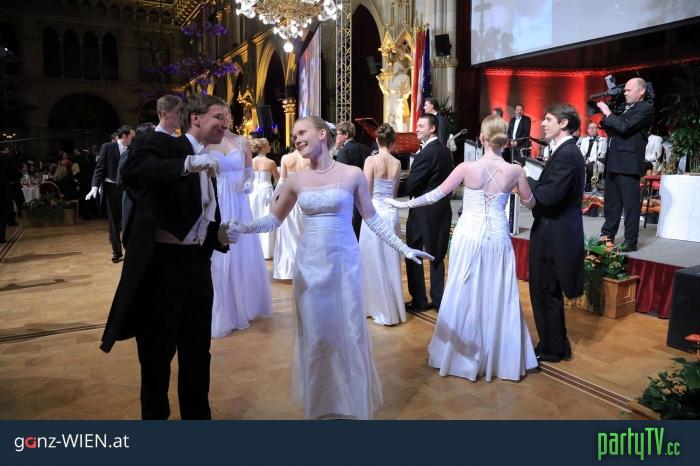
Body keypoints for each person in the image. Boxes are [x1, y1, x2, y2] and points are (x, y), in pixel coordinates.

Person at [221, 116, 433, 420]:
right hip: (309, 267)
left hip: (344, 264)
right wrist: (243, 227)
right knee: (315, 335)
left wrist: (403, 248)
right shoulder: (296, 180)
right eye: (294, 135)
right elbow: (273, 220)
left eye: (302, 132)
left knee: (350, 331)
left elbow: (372, 219)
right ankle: (320, 404)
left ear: (322, 134)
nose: (296, 139)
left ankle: (351, 402)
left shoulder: (353, 174)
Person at [100, 94, 229, 419]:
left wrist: (219, 234)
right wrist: (185, 165)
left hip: (197, 268)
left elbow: (196, 212)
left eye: (226, 118)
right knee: (157, 358)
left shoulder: (208, 159)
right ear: (195, 118)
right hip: (162, 270)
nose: (225, 124)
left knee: (198, 354)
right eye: (219, 116)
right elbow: (132, 171)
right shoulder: (163, 144)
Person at [387, 115, 538, 381]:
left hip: (468, 234)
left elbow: (435, 195)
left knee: (464, 288)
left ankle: (462, 355)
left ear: (482, 137)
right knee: (498, 290)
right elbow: (530, 203)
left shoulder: (467, 167)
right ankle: (500, 357)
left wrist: (403, 204)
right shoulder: (516, 171)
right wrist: (521, 192)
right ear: (504, 139)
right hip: (498, 236)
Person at [527, 103, 585, 363]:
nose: (543, 123)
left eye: (549, 119)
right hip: (554, 229)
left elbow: (549, 196)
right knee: (547, 291)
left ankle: (552, 348)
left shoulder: (567, 154)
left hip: (553, 232)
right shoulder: (565, 151)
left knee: (545, 291)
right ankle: (556, 344)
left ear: (564, 123)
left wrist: (523, 179)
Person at [209, 127, 272, 337]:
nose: (224, 119)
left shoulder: (241, 141)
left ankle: (246, 302)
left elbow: (249, 171)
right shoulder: (208, 141)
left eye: (226, 114)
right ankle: (222, 307)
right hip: (218, 196)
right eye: (219, 115)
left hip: (238, 199)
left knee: (243, 247)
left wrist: (248, 183)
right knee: (220, 248)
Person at [400, 114, 452, 312]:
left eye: (421, 126)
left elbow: (413, 184)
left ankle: (419, 300)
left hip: (422, 210)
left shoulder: (426, 153)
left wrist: (398, 187)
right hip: (441, 209)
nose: (417, 129)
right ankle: (438, 301)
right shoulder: (445, 151)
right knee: (437, 255)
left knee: (413, 252)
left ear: (432, 128)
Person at [598, 77, 655, 252]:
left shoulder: (645, 108)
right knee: (611, 204)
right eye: (625, 90)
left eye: (629, 90)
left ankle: (630, 241)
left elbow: (624, 127)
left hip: (629, 163)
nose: (625, 93)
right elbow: (610, 128)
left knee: (630, 206)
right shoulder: (624, 107)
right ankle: (606, 237)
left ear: (641, 91)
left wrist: (609, 114)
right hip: (613, 161)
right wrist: (608, 115)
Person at [359, 123, 405, 326]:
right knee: (390, 260)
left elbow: (365, 190)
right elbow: (394, 193)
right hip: (391, 213)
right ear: (392, 141)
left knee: (372, 259)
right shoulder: (397, 163)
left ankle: (375, 307)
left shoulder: (371, 160)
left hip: (374, 212)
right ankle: (391, 307)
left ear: (377, 140)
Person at [86, 125, 135, 263]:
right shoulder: (108, 147)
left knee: (128, 219)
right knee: (113, 221)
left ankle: (131, 250)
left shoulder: (132, 149)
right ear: (124, 136)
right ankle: (116, 252)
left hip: (127, 189)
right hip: (111, 188)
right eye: (132, 136)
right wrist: (94, 186)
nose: (134, 138)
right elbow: (100, 167)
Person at [271, 143, 308, 280]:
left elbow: (281, 182)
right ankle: (304, 269)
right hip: (305, 199)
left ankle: (289, 270)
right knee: (303, 235)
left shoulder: (286, 158)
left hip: (288, 201)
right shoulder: (309, 159)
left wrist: (273, 197)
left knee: (288, 237)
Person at [335, 121, 371, 239]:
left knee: (349, 230)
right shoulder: (366, 148)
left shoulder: (344, 151)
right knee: (361, 228)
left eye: (338, 134)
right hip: (364, 194)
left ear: (346, 135)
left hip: (349, 196)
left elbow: (340, 177)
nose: (336, 137)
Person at [250, 137, 280, 259]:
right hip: (266, 192)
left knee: (254, 217)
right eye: (268, 144)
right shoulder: (271, 162)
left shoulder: (251, 161)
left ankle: (253, 250)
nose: (270, 146)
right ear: (263, 147)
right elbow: (278, 181)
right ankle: (266, 251)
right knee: (266, 218)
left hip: (253, 192)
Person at [579, 121, 608, 192]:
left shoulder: (603, 140)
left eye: (594, 128)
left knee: (590, 165)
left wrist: (590, 160)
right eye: (590, 128)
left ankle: (588, 184)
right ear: (587, 130)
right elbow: (582, 152)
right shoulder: (584, 140)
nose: (591, 130)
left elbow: (602, 153)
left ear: (597, 129)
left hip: (597, 161)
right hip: (585, 160)